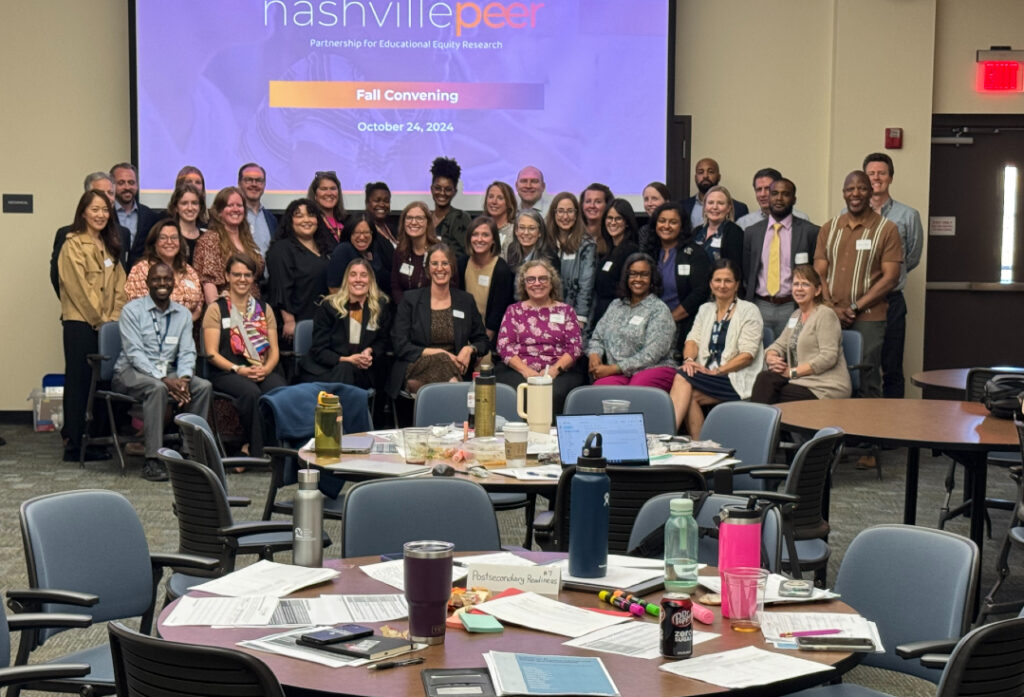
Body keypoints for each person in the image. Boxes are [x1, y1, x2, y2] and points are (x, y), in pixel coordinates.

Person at [113, 262, 212, 481]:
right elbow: (134, 353)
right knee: (157, 388)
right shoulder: (132, 311)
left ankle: (190, 454)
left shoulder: (182, 314)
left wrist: (184, 378)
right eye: (156, 279)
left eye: (167, 279)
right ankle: (153, 460)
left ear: (173, 283)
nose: (162, 283)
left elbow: (187, 351)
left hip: (168, 371)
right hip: (130, 371)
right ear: (147, 282)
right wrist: (165, 380)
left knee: (203, 386)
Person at [814, 170, 902, 400]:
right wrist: (831, 307)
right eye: (850, 189)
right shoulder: (829, 228)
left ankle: (869, 425)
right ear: (843, 193)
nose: (856, 193)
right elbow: (819, 272)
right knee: (829, 377)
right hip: (830, 315)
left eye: (862, 188)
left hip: (869, 318)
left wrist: (855, 307)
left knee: (866, 379)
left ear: (871, 192)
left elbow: (891, 278)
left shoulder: (887, 229)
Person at [57, 189, 128, 462]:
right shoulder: (72, 244)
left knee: (103, 383)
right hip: (81, 324)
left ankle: (96, 440)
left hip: (108, 326)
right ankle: (75, 445)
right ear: (83, 212)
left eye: (105, 210)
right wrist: (101, 319)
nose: (100, 215)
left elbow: (120, 288)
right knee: (80, 382)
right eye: (94, 209)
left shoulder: (110, 245)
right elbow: (79, 290)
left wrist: (113, 320)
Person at [202, 254, 287, 456]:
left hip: (261, 367)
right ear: (227, 276)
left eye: (247, 275)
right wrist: (238, 369)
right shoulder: (216, 309)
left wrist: (266, 369)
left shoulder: (264, 308)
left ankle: (276, 450)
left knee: (278, 389)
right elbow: (211, 353)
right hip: (227, 371)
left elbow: (274, 350)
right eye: (237, 274)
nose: (242, 279)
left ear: (253, 278)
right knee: (251, 393)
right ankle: (257, 451)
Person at [670, 259, 764, 435]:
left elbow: (747, 355)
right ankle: (700, 446)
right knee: (688, 392)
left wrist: (717, 371)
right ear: (710, 284)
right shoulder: (705, 309)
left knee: (682, 376)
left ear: (736, 285)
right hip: (708, 376)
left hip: (734, 378)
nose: (722, 285)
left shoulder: (749, 310)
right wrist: (689, 360)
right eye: (717, 280)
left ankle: (667, 434)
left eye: (728, 281)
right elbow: (692, 340)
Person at [863, 152, 924, 399]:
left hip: (892, 301)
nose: (876, 178)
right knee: (863, 365)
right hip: (861, 302)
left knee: (892, 367)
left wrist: (890, 277)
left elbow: (912, 257)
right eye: (871, 173)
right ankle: (862, 421)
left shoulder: (908, 215)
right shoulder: (851, 213)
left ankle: (894, 421)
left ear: (891, 177)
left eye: (882, 173)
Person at [390, 244, 489, 396]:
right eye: (434, 263)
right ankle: (457, 394)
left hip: (455, 366)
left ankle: (439, 391)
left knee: (440, 377)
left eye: (445, 263)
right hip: (416, 364)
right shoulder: (411, 299)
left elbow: (483, 341)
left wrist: (470, 349)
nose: (440, 268)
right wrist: (439, 353)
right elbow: (400, 344)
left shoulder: (465, 300)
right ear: (427, 269)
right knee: (442, 360)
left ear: (452, 268)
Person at [750, 265, 851, 404]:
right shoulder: (796, 315)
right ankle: (758, 417)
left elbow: (829, 357)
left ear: (817, 290)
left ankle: (756, 417)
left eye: (805, 284)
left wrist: (793, 372)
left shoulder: (825, 314)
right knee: (765, 378)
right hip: (799, 381)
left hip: (824, 386)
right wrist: (771, 356)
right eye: (796, 284)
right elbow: (780, 344)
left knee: (772, 395)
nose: (799, 288)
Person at [495, 259, 584, 413]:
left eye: (543, 278)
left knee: (554, 394)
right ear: (524, 284)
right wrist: (526, 371)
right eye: (531, 279)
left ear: (552, 282)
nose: (537, 283)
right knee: (520, 392)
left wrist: (554, 371)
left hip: (559, 371)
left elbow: (575, 348)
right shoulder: (514, 311)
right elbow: (504, 346)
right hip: (519, 370)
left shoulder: (566, 311)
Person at [587, 253, 678, 392]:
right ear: (626, 277)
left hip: (653, 368)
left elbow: (652, 354)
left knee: (635, 391)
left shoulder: (659, 309)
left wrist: (615, 368)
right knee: (599, 391)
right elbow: (597, 338)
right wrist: (594, 355)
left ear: (652, 279)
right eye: (633, 274)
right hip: (619, 373)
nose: (638, 279)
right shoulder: (615, 305)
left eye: (644, 275)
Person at [742, 178, 819, 338]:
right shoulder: (752, 232)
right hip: (760, 305)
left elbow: (815, 271)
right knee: (759, 351)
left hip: (793, 305)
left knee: (792, 350)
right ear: (769, 197)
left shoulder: (810, 232)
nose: (779, 198)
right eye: (775, 193)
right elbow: (747, 272)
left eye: (785, 194)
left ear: (794, 199)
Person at [301, 258, 392, 389]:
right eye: (353, 275)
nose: (358, 280)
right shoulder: (329, 306)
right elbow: (319, 349)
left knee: (347, 371)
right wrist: (346, 360)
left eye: (363, 275)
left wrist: (369, 351)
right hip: (328, 367)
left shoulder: (380, 307)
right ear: (346, 280)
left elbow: (383, 341)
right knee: (344, 368)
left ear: (371, 280)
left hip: (361, 371)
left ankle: (332, 401)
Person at [50, 172, 131, 298]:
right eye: (100, 193)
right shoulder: (67, 234)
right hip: (80, 308)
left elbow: (122, 278)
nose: (107, 198)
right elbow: (58, 278)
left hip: (114, 309)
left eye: (110, 193)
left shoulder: (123, 233)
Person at [265, 198, 333, 341]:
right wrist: (289, 320)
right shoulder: (282, 249)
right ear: (290, 221)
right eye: (299, 216)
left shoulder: (326, 248)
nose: (306, 220)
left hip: (323, 322)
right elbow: (280, 287)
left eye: (311, 215)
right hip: (296, 325)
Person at [651, 201, 711, 348]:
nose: (666, 226)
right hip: (650, 323)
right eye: (662, 221)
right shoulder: (650, 251)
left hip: (682, 325)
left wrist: (670, 319)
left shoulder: (694, 253)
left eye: (673, 222)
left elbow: (700, 292)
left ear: (682, 226)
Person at [193, 187, 265, 304]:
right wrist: (218, 312)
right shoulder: (210, 240)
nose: (236, 209)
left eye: (239, 205)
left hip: (254, 309)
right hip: (227, 309)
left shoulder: (247, 239)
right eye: (230, 205)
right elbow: (209, 283)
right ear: (219, 212)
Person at [124, 218, 203, 322]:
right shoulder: (141, 269)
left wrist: (185, 323)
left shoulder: (188, 270)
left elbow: (199, 304)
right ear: (154, 243)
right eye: (163, 238)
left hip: (188, 327)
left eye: (174, 237)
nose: (169, 242)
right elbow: (138, 307)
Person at [457, 216, 514, 344]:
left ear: (494, 240)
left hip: (488, 338)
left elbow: (498, 312)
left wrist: (482, 344)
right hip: (462, 332)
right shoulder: (462, 263)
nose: (479, 239)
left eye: (485, 235)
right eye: (475, 234)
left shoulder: (501, 269)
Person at [547, 192, 596, 332]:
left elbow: (586, 285)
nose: (565, 216)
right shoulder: (545, 242)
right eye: (561, 211)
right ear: (554, 213)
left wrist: (580, 317)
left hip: (574, 312)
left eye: (570, 211)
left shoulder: (587, 245)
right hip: (547, 311)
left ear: (576, 214)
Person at [591, 198, 639, 328]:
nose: (613, 222)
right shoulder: (609, 250)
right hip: (602, 314)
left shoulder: (631, 250)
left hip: (618, 319)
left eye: (618, 219)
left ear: (627, 222)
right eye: (609, 218)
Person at [326, 214, 392, 295]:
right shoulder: (343, 250)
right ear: (349, 233)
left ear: (372, 233)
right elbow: (334, 288)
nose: (362, 237)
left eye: (366, 232)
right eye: (356, 233)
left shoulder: (375, 249)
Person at [390, 201, 440, 304]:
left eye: (419, 218)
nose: (413, 222)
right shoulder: (400, 252)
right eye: (409, 218)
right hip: (405, 309)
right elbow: (395, 286)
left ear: (428, 223)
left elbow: (449, 287)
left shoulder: (439, 252)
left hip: (433, 308)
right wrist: (405, 307)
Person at [110, 162, 160, 265]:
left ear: (137, 185)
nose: (127, 187)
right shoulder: (106, 214)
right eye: (121, 183)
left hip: (141, 272)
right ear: (112, 186)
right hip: (112, 270)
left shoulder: (150, 216)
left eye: (131, 182)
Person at [735, 167, 811, 230]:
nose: (762, 194)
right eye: (758, 189)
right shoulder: (744, 223)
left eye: (767, 189)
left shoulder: (801, 219)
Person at [682, 158, 749, 229]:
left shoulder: (739, 208)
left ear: (719, 177)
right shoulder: (683, 206)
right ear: (695, 178)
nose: (705, 176)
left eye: (710, 172)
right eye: (701, 172)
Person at [692, 184, 744, 275]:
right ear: (705, 207)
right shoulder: (696, 232)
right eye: (710, 203)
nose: (715, 207)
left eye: (720, 203)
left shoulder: (734, 232)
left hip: (721, 282)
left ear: (728, 208)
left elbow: (734, 269)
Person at [429, 157, 471, 257]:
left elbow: (464, 255)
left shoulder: (460, 218)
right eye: (438, 188)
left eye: (448, 189)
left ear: (454, 191)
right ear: (431, 189)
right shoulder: (425, 217)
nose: (442, 193)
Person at [506, 208, 559, 279]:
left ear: (540, 232)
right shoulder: (512, 249)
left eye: (531, 228)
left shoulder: (550, 257)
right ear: (516, 231)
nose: (526, 233)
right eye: (522, 228)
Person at [238, 162, 277, 257]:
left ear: (264, 185)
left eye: (259, 180)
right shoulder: (232, 215)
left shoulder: (271, 219)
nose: (254, 184)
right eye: (248, 180)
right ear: (239, 183)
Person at [166, 183, 206, 262]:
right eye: (184, 203)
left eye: (194, 203)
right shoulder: (167, 237)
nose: (190, 208)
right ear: (176, 207)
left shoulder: (207, 238)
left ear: (200, 207)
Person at [307, 170, 345, 244]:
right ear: (315, 194)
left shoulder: (345, 222)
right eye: (323, 189)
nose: (329, 193)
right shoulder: (310, 223)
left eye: (333, 188)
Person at [483, 181, 517, 255]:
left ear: (509, 203)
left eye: (500, 198)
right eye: (491, 197)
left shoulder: (515, 231)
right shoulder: (480, 229)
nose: (494, 202)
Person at [638, 181, 671, 255]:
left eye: (654, 199)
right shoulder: (644, 231)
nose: (649, 204)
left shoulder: (675, 228)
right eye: (646, 199)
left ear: (667, 202)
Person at [361, 181, 398, 247]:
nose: (382, 204)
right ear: (367, 203)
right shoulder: (364, 230)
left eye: (386, 201)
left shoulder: (393, 229)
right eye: (377, 200)